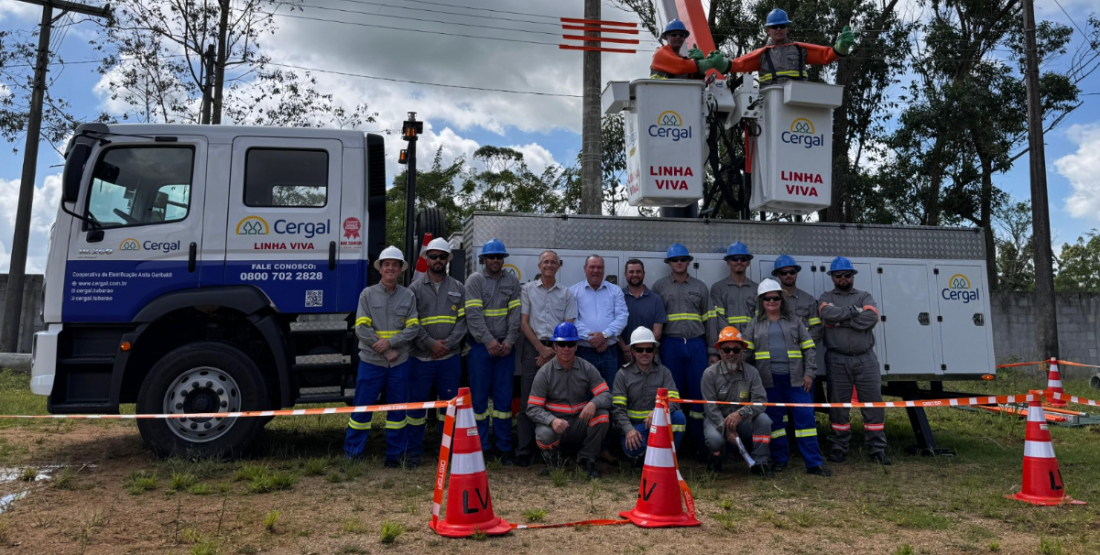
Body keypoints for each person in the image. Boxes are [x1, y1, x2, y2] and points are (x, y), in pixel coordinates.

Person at [741, 279, 831, 476]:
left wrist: (809, 373)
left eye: (775, 298)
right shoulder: (755, 324)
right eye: (767, 298)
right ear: (761, 301)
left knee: (806, 420)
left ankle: (813, 463)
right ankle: (780, 459)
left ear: (781, 299)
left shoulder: (794, 321)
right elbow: (745, 352)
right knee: (775, 423)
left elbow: (809, 348)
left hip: (797, 381)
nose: (772, 301)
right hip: (768, 382)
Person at [346, 246, 420, 467]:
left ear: (400, 270)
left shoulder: (408, 295)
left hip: (400, 362)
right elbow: (361, 328)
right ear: (380, 269)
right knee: (362, 410)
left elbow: (413, 327)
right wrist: (386, 349)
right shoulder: (367, 294)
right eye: (386, 264)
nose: (390, 268)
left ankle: (395, 456)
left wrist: (391, 343)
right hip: (372, 362)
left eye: (394, 265)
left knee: (398, 412)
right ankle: (352, 455)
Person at [819, 256, 889, 465]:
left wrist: (840, 321)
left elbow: (872, 318)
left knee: (873, 404)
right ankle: (839, 447)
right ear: (832, 277)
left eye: (846, 275)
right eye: (838, 275)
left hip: (865, 359)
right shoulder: (825, 296)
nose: (842, 278)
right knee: (838, 406)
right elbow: (825, 314)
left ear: (852, 276)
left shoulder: (864, 296)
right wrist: (853, 313)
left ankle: (877, 449)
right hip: (837, 360)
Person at [405, 238, 466, 468]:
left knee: (448, 408)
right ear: (427, 259)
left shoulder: (458, 288)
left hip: (449, 358)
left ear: (447, 260)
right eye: (434, 256)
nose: (438, 260)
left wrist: (447, 345)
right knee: (417, 409)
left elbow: (463, 321)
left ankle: (447, 452)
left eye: (442, 256)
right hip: (421, 358)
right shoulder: (414, 290)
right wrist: (431, 344)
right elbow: (411, 322)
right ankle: (413, 453)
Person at [527, 322, 612, 480]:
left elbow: (606, 394)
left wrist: (594, 403)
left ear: (576, 346)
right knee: (544, 435)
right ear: (555, 346)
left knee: (602, 415)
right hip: (556, 425)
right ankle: (554, 459)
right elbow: (532, 408)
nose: (566, 348)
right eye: (562, 344)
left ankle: (587, 459)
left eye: (570, 343)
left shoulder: (587, 368)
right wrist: (551, 420)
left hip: (579, 422)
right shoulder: (544, 373)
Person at [517, 250, 578, 467]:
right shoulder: (527, 290)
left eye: (553, 262)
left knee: (555, 399)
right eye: (545, 262)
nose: (549, 265)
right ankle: (524, 450)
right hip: (533, 348)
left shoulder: (566, 293)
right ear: (539, 266)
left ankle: (551, 448)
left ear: (559, 266)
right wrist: (540, 349)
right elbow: (523, 322)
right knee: (528, 400)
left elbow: (568, 324)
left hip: (558, 349)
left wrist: (551, 351)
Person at [464, 238, 522, 465]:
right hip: (481, 348)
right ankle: (481, 446)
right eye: (492, 257)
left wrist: (509, 340)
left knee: (503, 402)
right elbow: (474, 316)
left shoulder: (512, 281)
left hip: (505, 349)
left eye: (499, 257)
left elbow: (515, 315)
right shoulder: (475, 280)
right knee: (479, 401)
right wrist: (488, 341)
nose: (496, 260)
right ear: (483, 259)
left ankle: (504, 446)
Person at [651, 242, 713, 449]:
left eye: (682, 259)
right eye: (675, 260)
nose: (679, 263)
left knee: (697, 394)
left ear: (688, 262)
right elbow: (655, 319)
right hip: (670, 344)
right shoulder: (659, 287)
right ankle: (674, 444)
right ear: (669, 263)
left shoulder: (700, 287)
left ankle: (698, 443)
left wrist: (712, 350)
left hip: (696, 345)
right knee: (672, 393)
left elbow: (709, 319)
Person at [701, 326, 773, 477]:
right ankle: (716, 458)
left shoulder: (752, 372)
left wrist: (741, 413)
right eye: (726, 350)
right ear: (720, 351)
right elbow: (710, 409)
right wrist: (726, 429)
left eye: (736, 350)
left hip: (743, 420)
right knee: (714, 440)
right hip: (717, 420)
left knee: (764, 421)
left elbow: (760, 400)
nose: (731, 353)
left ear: (742, 352)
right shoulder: (709, 374)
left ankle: (760, 463)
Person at [611, 327, 685, 466]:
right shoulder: (623, 374)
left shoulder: (664, 372)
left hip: (658, 425)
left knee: (679, 419)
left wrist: (657, 411)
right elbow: (617, 409)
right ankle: (642, 458)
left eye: (649, 350)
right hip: (635, 428)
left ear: (654, 351)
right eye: (640, 350)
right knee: (632, 449)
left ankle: (667, 459)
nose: (644, 353)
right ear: (632, 351)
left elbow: (674, 400)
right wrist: (629, 430)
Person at [726, 9, 856, 85]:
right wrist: (721, 64)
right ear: (768, 30)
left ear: (787, 28)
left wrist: (841, 47)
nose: (778, 29)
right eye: (774, 27)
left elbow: (826, 56)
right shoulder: (762, 54)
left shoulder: (799, 49)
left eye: (782, 26)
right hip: (770, 102)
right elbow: (738, 65)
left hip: (798, 101)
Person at [570, 255, 628, 392]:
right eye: (592, 267)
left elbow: (622, 317)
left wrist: (604, 335)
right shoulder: (573, 291)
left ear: (604, 270)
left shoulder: (615, 291)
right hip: (585, 352)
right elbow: (572, 319)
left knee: (610, 391)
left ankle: (608, 415)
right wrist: (592, 338)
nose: (596, 270)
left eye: (599, 267)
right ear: (585, 269)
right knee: (585, 391)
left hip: (610, 353)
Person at [708, 241, 758, 365]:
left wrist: (745, 341)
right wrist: (734, 342)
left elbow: (759, 320)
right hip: (728, 349)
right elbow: (718, 320)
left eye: (743, 258)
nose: (739, 262)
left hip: (751, 348)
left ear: (748, 262)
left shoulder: (757, 289)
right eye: (735, 259)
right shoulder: (718, 288)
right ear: (728, 262)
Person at [620, 259, 669, 366]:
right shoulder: (618, 297)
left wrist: (639, 351)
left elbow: (657, 333)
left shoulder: (655, 299)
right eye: (631, 272)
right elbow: (614, 329)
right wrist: (626, 349)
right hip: (623, 356)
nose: (635, 275)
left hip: (647, 356)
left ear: (644, 274)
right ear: (625, 274)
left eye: (638, 271)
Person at [650, 19, 732, 79]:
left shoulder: (684, 60)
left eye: (681, 35)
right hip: (661, 98)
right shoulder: (660, 54)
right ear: (667, 37)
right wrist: (710, 62)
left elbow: (696, 81)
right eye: (674, 34)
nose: (678, 37)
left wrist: (698, 68)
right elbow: (680, 66)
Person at [772, 255, 823, 348]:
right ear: (778, 275)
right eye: (784, 273)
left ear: (796, 274)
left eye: (792, 272)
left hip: (803, 354)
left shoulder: (808, 300)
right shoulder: (770, 300)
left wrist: (802, 345)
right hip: (778, 352)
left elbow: (817, 329)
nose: (788, 275)